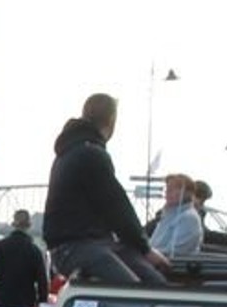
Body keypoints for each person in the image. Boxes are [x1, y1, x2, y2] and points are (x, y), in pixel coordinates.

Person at [42, 93, 170, 286]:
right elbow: (117, 206)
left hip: (74, 245)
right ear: (112, 120)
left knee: (149, 285)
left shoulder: (68, 152)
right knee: (139, 291)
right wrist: (146, 249)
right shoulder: (92, 154)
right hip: (78, 246)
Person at [148, 173, 204, 257]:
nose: (167, 192)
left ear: (186, 193)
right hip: (153, 262)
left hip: (172, 267)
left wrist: (145, 254)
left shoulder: (189, 218)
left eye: (171, 189)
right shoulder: (167, 216)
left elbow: (175, 252)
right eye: (167, 189)